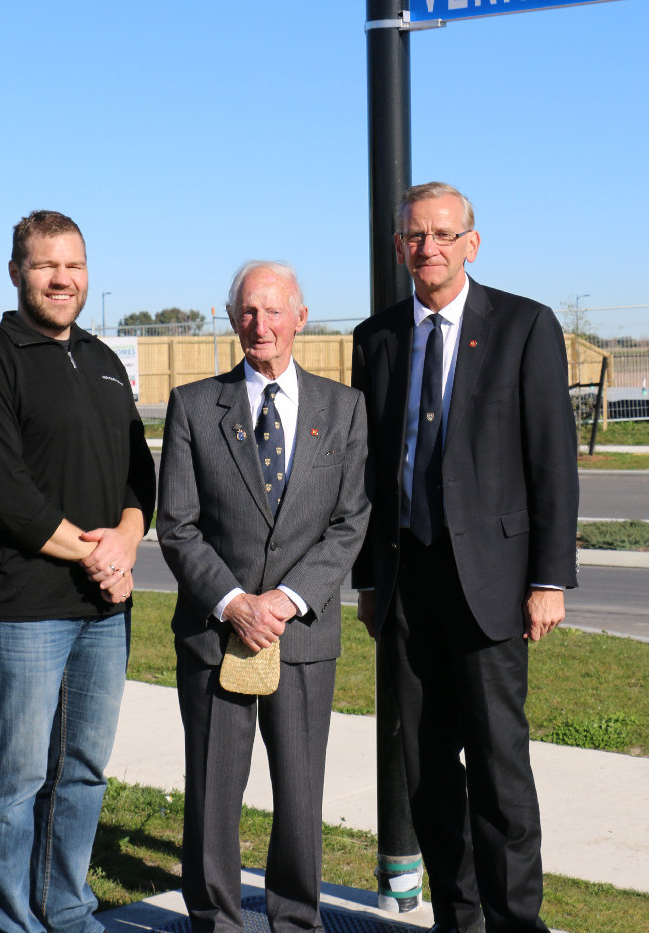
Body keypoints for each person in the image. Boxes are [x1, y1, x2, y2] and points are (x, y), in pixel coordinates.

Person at [352, 182, 579, 933]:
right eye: (416, 236)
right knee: (424, 770)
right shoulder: (375, 337)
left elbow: (552, 461)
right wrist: (365, 580)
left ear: (471, 243)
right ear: (399, 247)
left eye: (444, 235)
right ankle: (459, 917)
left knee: (497, 767)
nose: (430, 248)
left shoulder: (522, 326)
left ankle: (517, 921)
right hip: (406, 585)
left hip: (491, 584)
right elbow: (370, 470)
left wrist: (547, 578)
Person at [0, 210, 156, 933]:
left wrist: (128, 540)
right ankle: (8, 921)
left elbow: (141, 476)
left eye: (72, 264)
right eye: (45, 265)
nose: (61, 278)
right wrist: (97, 552)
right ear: (17, 273)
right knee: (14, 779)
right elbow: (8, 495)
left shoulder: (103, 359)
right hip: (24, 611)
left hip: (103, 613)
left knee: (80, 773)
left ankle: (65, 909)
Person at [157, 260, 369, 933]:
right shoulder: (193, 405)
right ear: (230, 317)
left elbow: (349, 520)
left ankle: (295, 919)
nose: (261, 324)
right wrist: (233, 601)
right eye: (249, 310)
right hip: (216, 631)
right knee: (214, 792)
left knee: (300, 794)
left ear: (300, 318)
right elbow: (178, 524)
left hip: (301, 635)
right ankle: (216, 918)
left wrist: (284, 598)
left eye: (275, 310)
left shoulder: (344, 408)